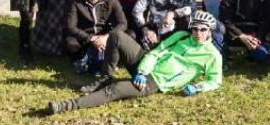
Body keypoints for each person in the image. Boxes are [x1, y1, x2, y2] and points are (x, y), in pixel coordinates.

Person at [49, 11, 222, 114]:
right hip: (145, 65)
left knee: (116, 90)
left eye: (203, 29)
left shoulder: (212, 54)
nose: (198, 33)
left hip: (156, 81)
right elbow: (156, 53)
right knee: (116, 36)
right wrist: (142, 71)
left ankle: (67, 105)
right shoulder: (181, 36)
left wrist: (197, 87)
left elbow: (215, 80)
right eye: (195, 28)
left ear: (209, 31)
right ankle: (105, 77)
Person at [65, 0, 128, 74]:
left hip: (106, 36)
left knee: (129, 35)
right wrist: (91, 38)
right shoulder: (76, 2)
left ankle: (115, 61)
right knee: (71, 42)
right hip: (85, 37)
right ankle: (79, 59)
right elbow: (70, 26)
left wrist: (107, 37)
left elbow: (123, 23)